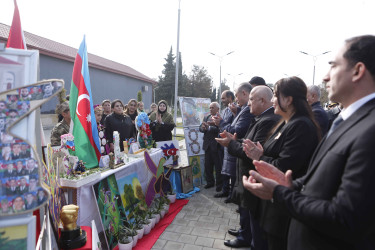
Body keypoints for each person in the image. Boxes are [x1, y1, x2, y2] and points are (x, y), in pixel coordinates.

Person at [243, 35, 375, 250]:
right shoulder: (347, 120)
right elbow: (321, 182)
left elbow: (345, 217)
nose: (325, 77)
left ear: (358, 71)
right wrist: (290, 185)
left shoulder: (369, 129)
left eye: (333, 66)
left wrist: (280, 193)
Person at [241, 77, 320, 249]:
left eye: (276, 95)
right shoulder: (286, 123)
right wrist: (260, 154)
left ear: (289, 100)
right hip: (270, 207)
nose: (273, 100)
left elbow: (284, 167)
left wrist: (259, 157)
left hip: (281, 211)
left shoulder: (301, 125)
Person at [216, 86, 280, 249]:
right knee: (249, 215)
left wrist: (231, 143)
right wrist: (235, 140)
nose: (248, 104)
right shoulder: (261, 117)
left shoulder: (268, 120)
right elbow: (247, 142)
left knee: (256, 226)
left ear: (263, 100)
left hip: (254, 176)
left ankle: (249, 239)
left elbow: (250, 151)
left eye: (251, 99)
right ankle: (247, 235)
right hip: (249, 176)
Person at [212, 83, 254, 203]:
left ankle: (233, 195)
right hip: (230, 146)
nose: (236, 99)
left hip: (238, 148)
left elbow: (237, 130)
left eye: (236, 95)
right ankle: (230, 193)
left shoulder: (246, 110)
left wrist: (221, 123)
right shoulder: (239, 109)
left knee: (235, 176)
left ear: (244, 93)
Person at [199, 102, 222, 190]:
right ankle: (210, 182)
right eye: (210, 108)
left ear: (217, 109)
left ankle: (219, 185)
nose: (211, 109)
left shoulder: (220, 118)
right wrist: (203, 128)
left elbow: (219, 129)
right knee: (207, 165)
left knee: (218, 166)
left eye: (212, 108)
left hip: (216, 145)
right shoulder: (206, 117)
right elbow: (200, 128)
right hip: (207, 145)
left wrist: (209, 128)